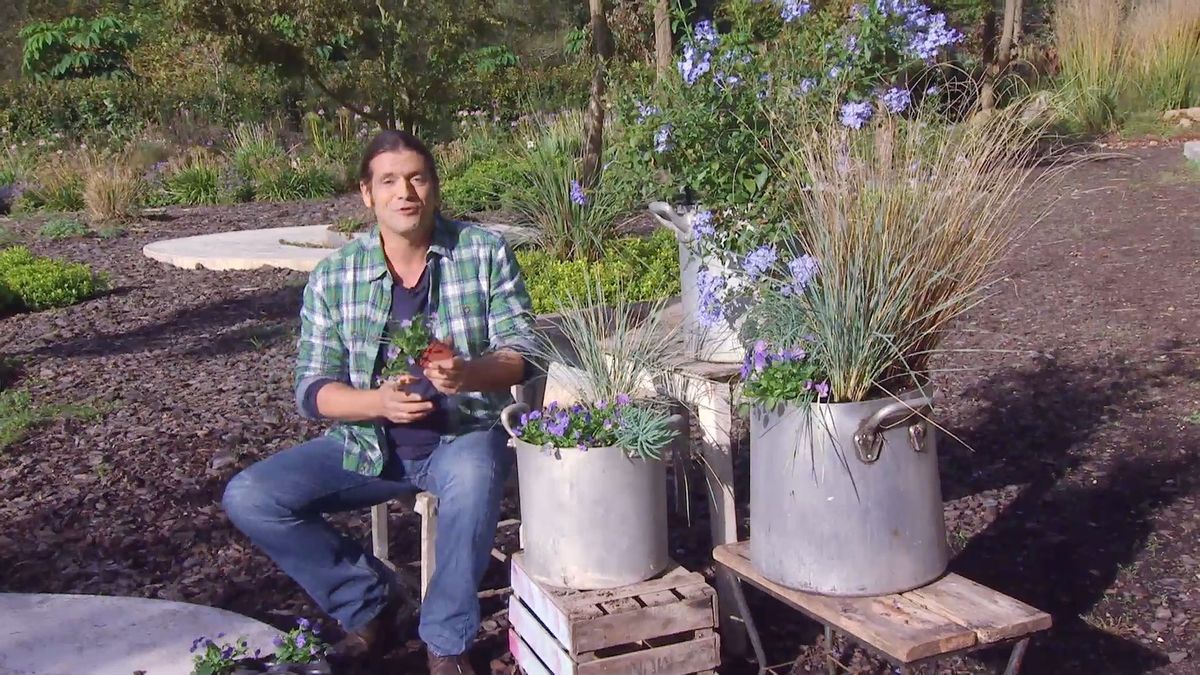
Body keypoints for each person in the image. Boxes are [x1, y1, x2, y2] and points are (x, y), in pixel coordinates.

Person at [222, 129, 536, 675]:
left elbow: (524, 352)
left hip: (462, 433)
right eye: (389, 181)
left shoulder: (482, 253)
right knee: (251, 496)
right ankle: (370, 603)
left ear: (434, 188)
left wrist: (471, 372)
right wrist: (377, 404)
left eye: (416, 178)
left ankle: (446, 642)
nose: (405, 192)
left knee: (475, 476)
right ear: (367, 195)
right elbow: (313, 389)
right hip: (369, 445)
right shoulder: (334, 277)